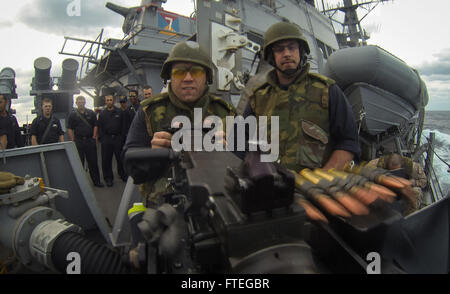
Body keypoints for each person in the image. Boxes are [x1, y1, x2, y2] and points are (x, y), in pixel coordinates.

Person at [124, 41, 236, 207]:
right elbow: (132, 169)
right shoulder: (149, 111)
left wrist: (227, 152)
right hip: (165, 207)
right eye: (179, 72)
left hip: (217, 202)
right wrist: (153, 154)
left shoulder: (226, 112)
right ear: (170, 77)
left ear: (207, 77)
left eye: (196, 72)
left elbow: (244, 162)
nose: (188, 78)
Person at [244, 21, 360, 172]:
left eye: (292, 47)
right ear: (272, 56)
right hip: (270, 189)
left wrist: (321, 180)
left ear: (301, 51)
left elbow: (348, 142)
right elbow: (241, 145)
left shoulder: (327, 91)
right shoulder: (258, 99)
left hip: (314, 190)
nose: (286, 54)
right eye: (279, 50)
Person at [67, 95, 104, 188]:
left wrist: (94, 137)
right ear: (76, 103)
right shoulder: (72, 115)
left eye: (82, 102)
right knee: (79, 163)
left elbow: (95, 125)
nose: (81, 104)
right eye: (79, 102)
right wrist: (72, 140)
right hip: (78, 141)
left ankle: (97, 182)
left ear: (84, 103)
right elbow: (70, 128)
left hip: (89, 140)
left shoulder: (91, 113)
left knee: (93, 163)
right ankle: (80, 184)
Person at [98, 94, 127, 187]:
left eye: (111, 100)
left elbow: (123, 125)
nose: (109, 101)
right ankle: (108, 178)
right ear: (105, 102)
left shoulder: (119, 112)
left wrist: (122, 137)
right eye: (107, 100)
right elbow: (100, 127)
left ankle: (123, 175)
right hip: (107, 139)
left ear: (113, 101)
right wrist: (102, 138)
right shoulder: (102, 114)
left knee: (120, 158)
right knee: (106, 160)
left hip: (118, 138)